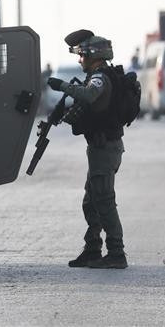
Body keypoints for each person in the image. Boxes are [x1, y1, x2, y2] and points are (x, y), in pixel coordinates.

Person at [47, 29, 127, 269]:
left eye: (82, 56)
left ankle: (116, 253)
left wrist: (62, 86)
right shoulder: (97, 74)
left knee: (104, 201)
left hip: (105, 147)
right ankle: (92, 249)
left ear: (94, 56)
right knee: (90, 201)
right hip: (100, 148)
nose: (80, 60)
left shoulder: (100, 77)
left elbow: (91, 95)